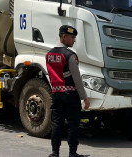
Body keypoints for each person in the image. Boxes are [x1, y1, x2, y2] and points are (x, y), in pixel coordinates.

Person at [46, 25, 90, 157]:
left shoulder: (49, 55)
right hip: (71, 95)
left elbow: (51, 75)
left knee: (57, 124)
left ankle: (55, 153)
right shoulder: (70, 55)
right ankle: (72, 153)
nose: (74, 40)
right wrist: (84, 98)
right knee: (73, 125)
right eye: (72, 37)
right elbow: (77, 79)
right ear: (63, 37)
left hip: (56, 94)